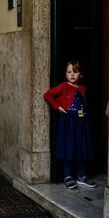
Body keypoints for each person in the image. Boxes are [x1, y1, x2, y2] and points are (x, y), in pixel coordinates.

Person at [43, 60, 96, 189]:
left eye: (75, 72)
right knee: (68, 146)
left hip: (82, 121)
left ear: (81, 75)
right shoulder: (63, 86)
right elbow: (48, 95)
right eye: (69, 72)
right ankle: (67, 175)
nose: (72, 74)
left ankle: (82, 175)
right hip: (68, 121)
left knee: (81, 146)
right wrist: (58, 107)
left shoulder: (83, 88)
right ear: (66, 75)